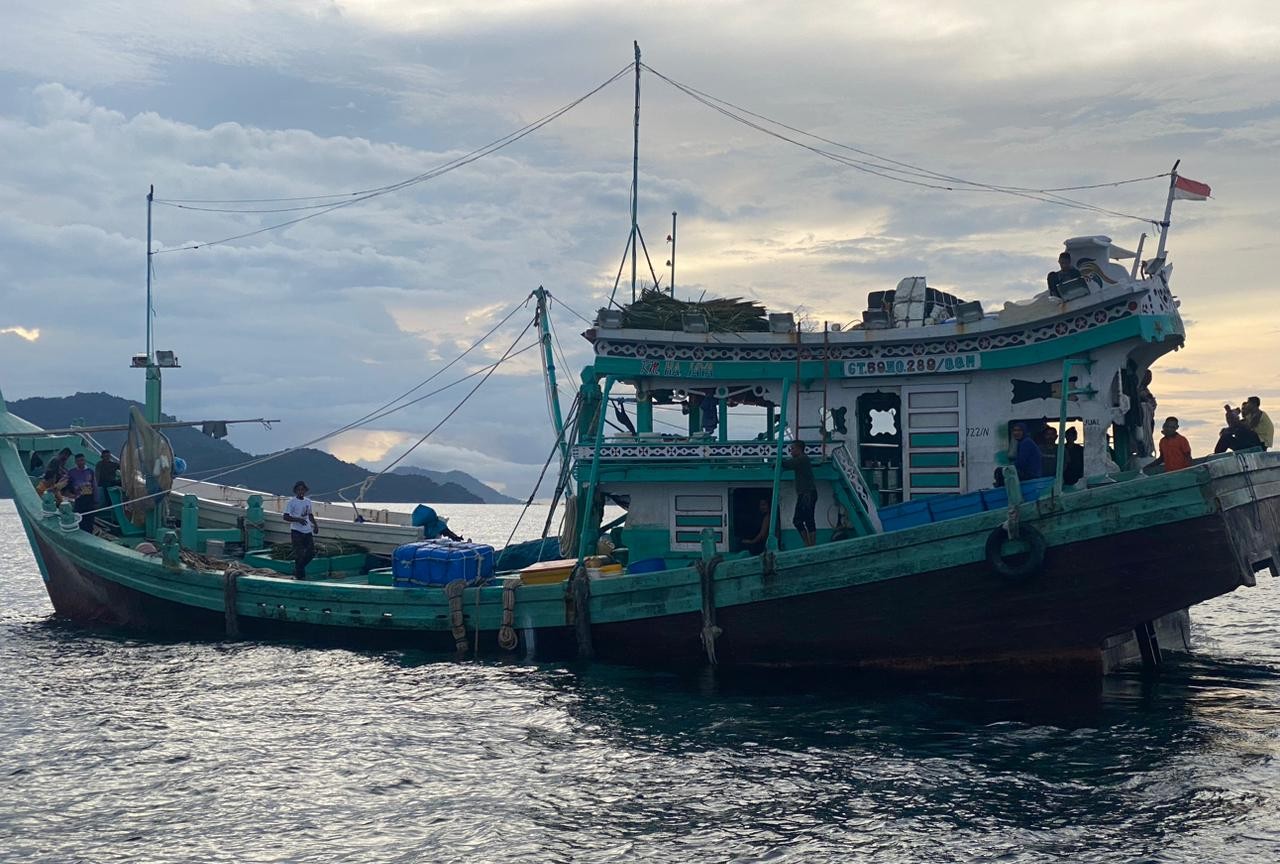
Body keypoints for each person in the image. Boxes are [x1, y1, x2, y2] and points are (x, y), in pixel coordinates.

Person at [782, 441, 817, 547]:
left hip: (807, 493)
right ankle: (809, 544)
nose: (790, 451)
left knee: (805, 519)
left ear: (799, 449)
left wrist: (779, 460)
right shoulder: (802, 460)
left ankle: (810, 545)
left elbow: (788, 464)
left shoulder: (802, 459)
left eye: (792, 449)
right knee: (802, 520)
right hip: (806, 493)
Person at [282, 480, 319, 580]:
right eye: (299, 490)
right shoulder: (291, 502)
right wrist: (297, 520)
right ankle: (300, 576)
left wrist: (315, 525)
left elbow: (310, 514)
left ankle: (298, 570)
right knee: (299, 554)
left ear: (305, 490)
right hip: (296, 531)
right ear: (295, 491)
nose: (301, 492)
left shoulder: (308, 501)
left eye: (302, 490)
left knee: (311, 553)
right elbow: (285, 517)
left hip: (307, 530)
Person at [66, 454, 97, 533]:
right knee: (79, 517)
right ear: (76, 462)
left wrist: (96, 499)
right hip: (79, 499)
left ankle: (89, 534)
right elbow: (65, 483)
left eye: (82, 460)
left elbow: (94, 486)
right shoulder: (72, 472)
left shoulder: (90, 471)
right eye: (79, 461)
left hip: (89, 498)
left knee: (89, 519)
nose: (81, 462)